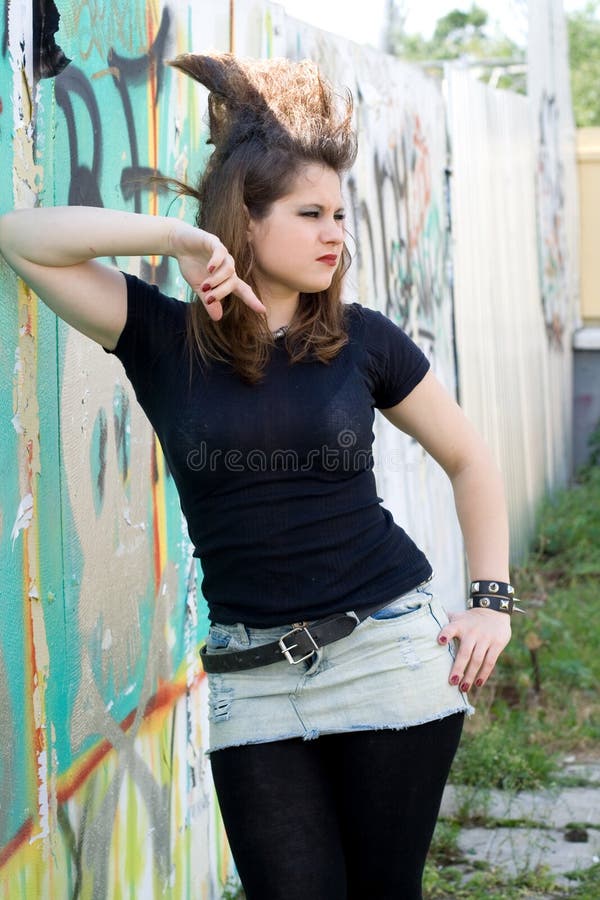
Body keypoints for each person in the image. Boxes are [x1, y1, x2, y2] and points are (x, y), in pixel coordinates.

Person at [0, 53, 514, 900]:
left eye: (340, 215)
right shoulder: (161, 339)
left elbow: (469, 457)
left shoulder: (364, 340)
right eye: (310, 213)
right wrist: (179, 239)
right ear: (248, 218)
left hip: (387, 650)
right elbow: (24, 240)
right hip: (254, 679)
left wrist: (491, 601)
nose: (334, 234)